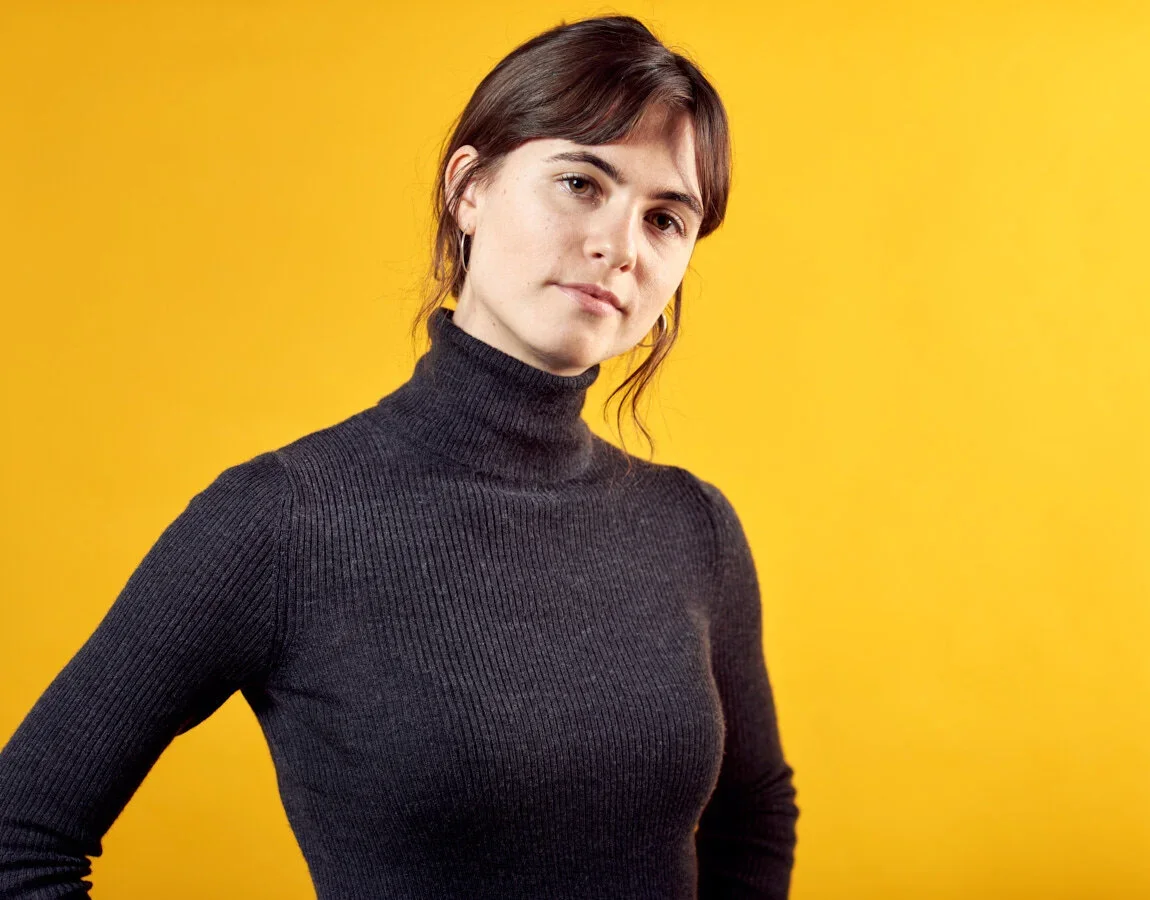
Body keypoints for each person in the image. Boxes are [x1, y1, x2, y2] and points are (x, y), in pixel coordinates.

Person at [0, 14, 800, 898]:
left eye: (664, 218)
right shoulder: (283, 520)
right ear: (470, 188)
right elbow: (19, 838)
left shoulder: (692, 527)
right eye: (579, 181)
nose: (619, 246)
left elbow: (754, 812)